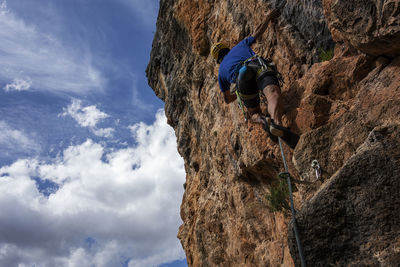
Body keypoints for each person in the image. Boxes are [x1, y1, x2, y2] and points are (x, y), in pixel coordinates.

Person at [211, 9, 299, 148]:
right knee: (273, 94)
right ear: (227, 49)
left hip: (242, 80)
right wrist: (268, 16)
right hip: (255, 66)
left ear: (218, 59)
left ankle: (265, 122)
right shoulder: (240, 45)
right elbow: (258, 32)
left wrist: (237, 94)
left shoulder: (221, 72)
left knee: (254, 114)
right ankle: (277, 123)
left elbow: (227, 99)